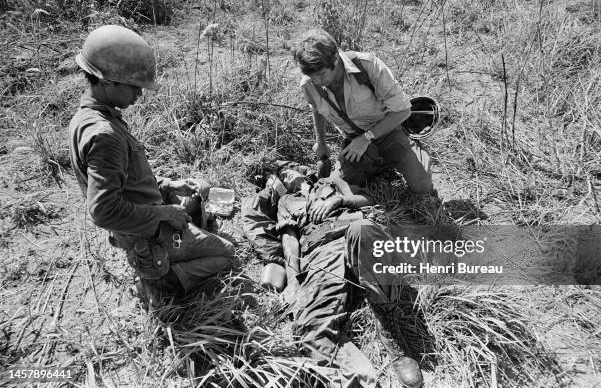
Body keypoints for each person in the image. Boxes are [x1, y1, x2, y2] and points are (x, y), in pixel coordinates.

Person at [69, 25, 235, 310]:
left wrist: (166, 186)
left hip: (142, 223)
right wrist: (164, 213)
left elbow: (126, 183)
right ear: (106, 80)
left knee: (194, 203)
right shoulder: (104, 134)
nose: (139, 95)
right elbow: (104, 210)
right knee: (227, 253)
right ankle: (162, 282)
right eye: (134, 86)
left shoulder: (91, 117)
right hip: (149, 234)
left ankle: (168, 253)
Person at [242, 168, 424, 387]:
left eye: (289, 170)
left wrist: (339, 200)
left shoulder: (331, 181)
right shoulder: (286, 201)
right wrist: (293, 282)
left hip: (354, 231)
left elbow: (367, 199)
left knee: (363, 230)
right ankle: (358, 379)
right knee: (309, 328)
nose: (286, 175)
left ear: (302, 171)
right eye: (282, 177)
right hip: (321, 250)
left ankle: (389, 326)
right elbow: (290, 241)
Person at [292, 28, 433, 195]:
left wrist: (367, 137)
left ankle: (407, 148)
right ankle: (377, 161)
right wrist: (321, 142)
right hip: (354, 141)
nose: (317, 81)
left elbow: (403, 111)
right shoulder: (309, 83)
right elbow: (316, 108)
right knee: (334, 190)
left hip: (388, 131)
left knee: (422, 188)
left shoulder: (367, 66)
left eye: (321, 74)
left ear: (335, 59)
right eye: (312, 76)